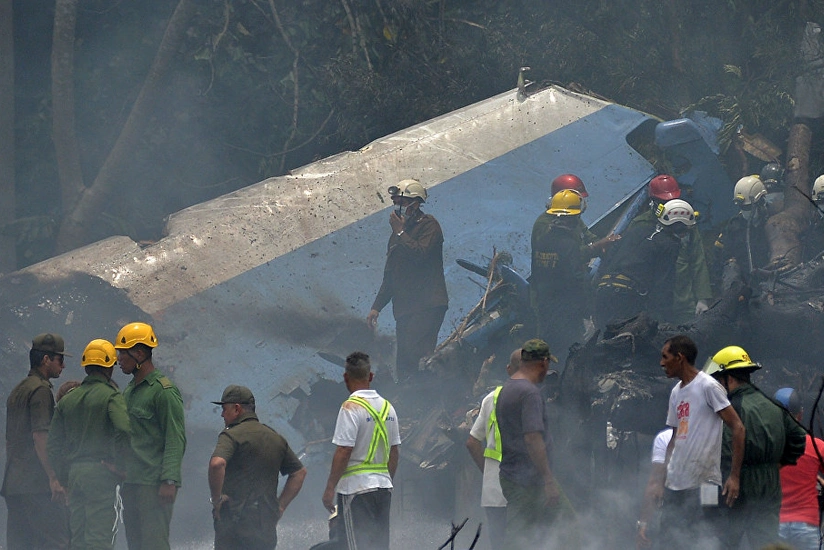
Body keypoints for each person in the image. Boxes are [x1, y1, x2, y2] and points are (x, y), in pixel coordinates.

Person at [703, 346, 806, 550]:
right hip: (769, 486)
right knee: (766, 545)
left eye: (717, 380)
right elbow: (799, 437)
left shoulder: (729, 411)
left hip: (734, 487)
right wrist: (777, 463)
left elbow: (720, 456)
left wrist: (707, 505)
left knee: (721, 543)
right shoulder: (772, 406)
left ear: (728, 379)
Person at [653, 335, 745, 550]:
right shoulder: (676, 392)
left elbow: (738, 427)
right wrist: (661, 481)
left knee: (705, 538)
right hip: (675, 483)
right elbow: (674, 438)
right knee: (669, 540)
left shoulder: (708, 386)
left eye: (665, 357)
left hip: (706, 482)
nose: (661, 363)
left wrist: (734, 476)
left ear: (680, 358)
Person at [47, 339, 132, 550]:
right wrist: (121, 466)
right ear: (109, 368)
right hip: (101, 474)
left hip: (74, 475)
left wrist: (64, 477)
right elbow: (123, 429)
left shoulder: (67, 400)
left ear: (86, 366)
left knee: (78, 539)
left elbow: (53, 445)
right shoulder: (111, 396)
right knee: (100, 539)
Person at [496, 339, 575, 549]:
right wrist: (548, 480)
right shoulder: (529, 393)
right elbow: (532, 438)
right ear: (544, 362)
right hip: (530, 480)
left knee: (527, 535)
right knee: (567, 528)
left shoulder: (508, 387)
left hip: (515, 475)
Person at [115, 322, 186, 550]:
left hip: (153, 485)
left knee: (153, 544)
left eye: (122, 353)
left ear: (139, 353)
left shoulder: (163, 391)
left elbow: (175, 438)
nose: (118, 359)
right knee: (135, 544)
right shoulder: (130, 390)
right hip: (132, 482)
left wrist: (169, 480)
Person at [367, 179, 448, 377]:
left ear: (416, 203)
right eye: (396, 203)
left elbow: (420, 255)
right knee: (404, 364)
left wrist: (401, 232)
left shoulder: (429, 226)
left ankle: (432, 397)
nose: (398, 208)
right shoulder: (396, 237)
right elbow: (391, 275)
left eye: (402, 203)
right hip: (405, 309)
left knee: (416, 356)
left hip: (427, 305)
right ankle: (411, 401)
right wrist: (376, 307)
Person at [209, 385, 307, 550]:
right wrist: (280, 506)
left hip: (234, 520)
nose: (222, 414)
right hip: (265, 524)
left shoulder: (231, 435)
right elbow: (299, 473)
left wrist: (217, 500)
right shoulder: (275, 437)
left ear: (237, 409)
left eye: (224, 409)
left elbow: (217, 464)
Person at [322, 351, 401, 550]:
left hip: (355, 490)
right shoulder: (388, 408)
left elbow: (343, 450)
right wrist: (384, 479)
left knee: (354, 546)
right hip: (383, 489)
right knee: (379, 545)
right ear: (371, 376)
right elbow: (394, 452)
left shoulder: (350, 408)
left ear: (345, 378)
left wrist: (330, 488)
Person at [1, 332, 70, 549]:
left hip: (14, 484)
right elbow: (40, 435)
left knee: (20, 544)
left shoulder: (18, 390)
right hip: (35, 484)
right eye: (60, 359)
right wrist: (53, 478)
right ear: (46, 359)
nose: (63, 366)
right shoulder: (41, 391)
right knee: (57, 542)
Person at [596, 199, 694, 329]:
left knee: (599, 338)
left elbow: (608, 259)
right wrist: (666, 319)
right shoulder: (669, 244)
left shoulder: (637, 230)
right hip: (627, 299)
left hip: (603, 292)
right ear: (679, 225)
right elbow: (663, 284)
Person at [628, 175, 712, 323]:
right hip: (652, 304)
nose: (669, 205)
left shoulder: (686, 222)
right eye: (663, 201)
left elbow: (698, 261)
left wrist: (702, 298)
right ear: (653, 201)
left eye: (672, 200)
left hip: (684, 302)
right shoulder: (641, 225)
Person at [466, 349, 521, 550]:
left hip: (494, 490)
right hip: (523, 491)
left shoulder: (491, 398)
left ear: (508, 370)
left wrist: (489, 473)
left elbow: (472, 442)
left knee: (499, 544)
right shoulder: (533, 399)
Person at [530, 190, 594, 361]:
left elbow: (535, 274)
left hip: (545, 307)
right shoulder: (569, 244)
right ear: (573, 217)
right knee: (568, 353)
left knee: (548, 352)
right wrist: (587, 312)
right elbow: (577, 280)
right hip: (567, 311)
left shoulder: (543, 240)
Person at [774, 387, 824, 550]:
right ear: (800, 415)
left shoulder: (766, 446)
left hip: (775, 523)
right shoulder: (817, 446)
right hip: (806, 523)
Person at [713, 175, 771, 283]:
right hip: (744, 282)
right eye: (743, 208)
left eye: (749, 207)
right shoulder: (734, 226)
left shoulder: (773, 221)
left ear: (761, 202)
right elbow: (721, 253)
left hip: (769, 278)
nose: (746, 211)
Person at [636, 428, 673, 549]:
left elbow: (654, 484)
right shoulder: (712, 433)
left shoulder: (664, 438)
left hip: (676, 509)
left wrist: (643, 524)